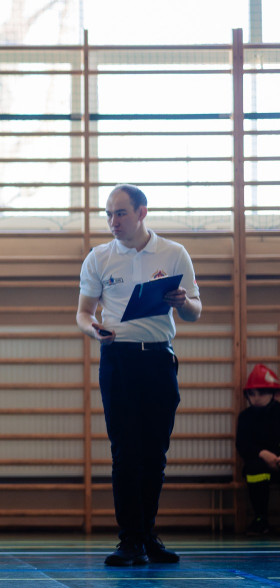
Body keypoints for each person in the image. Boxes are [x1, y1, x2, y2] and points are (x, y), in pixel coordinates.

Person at [76, 184, 202, 566]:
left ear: (142, 212)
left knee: (155, 452)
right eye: (109, 215)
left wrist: (183, 302)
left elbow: (195, 311)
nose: (113, 222)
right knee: (125, 452)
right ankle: (129, 539)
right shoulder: (99, 257)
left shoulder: (174, 253)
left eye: (121, 213)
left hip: (159, 359)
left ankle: (147, 536)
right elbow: (83, 312)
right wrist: (93, 329)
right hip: (119, 360)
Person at [235, 363, 280, 535]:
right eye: (252, 394)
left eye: (261, 393)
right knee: (253, 469)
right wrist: (263, 454)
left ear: (273, 393)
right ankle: (260, 519)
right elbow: (242, 445)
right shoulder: (245, 417)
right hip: (259, 463)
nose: (256, 398)